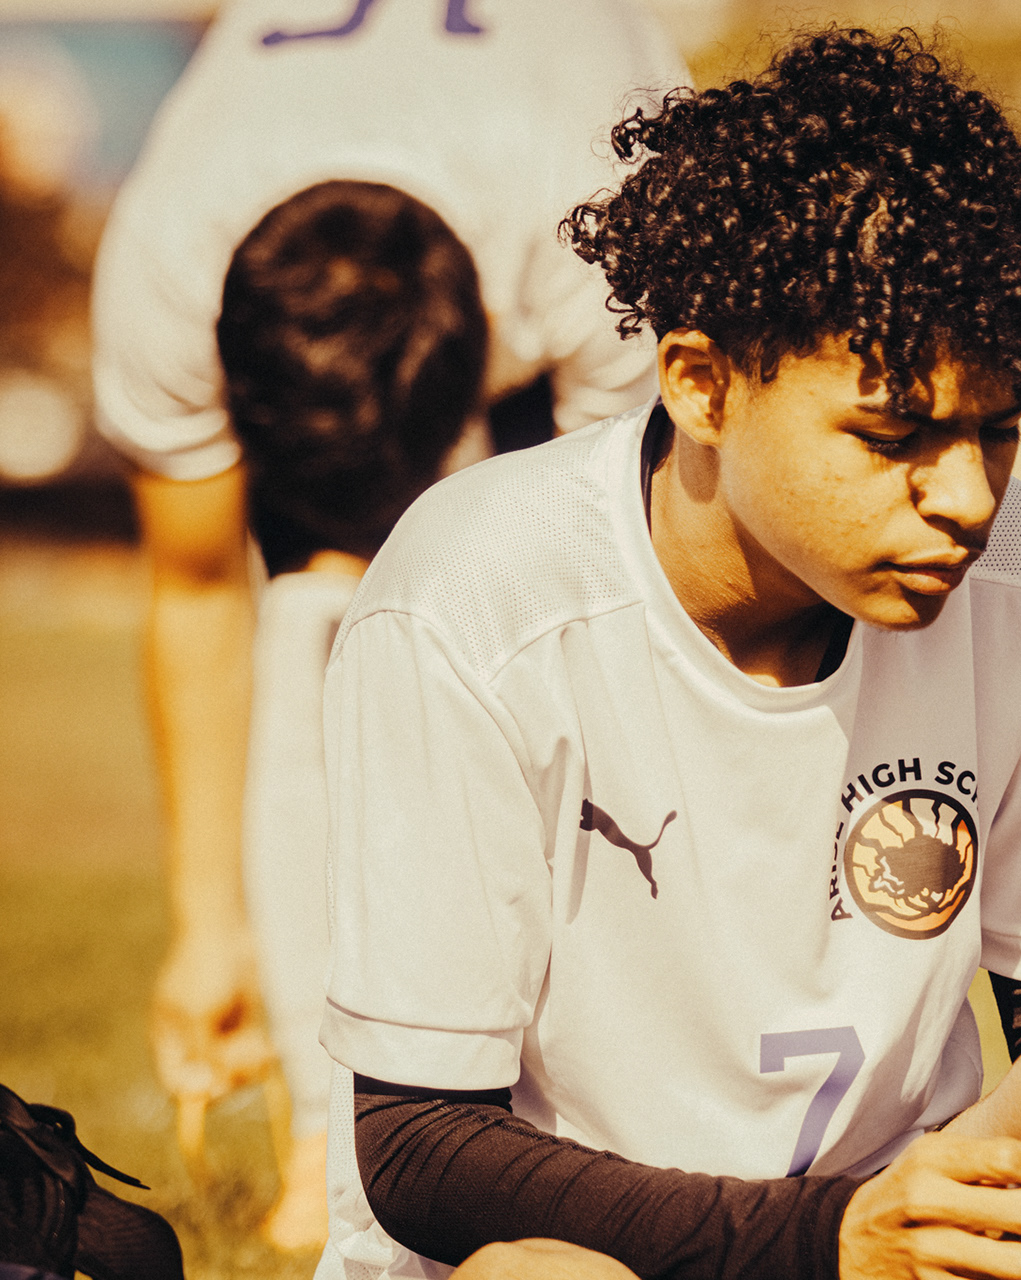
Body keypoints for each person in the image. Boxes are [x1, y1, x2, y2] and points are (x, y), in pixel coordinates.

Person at [319, 28, 1021, 1280]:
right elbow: (418, 1142)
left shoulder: (1020, 565)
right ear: (701, 384)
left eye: (998, 429)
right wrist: (828, 1240)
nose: (967, 496)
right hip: (606, 1251)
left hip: (905, 1238)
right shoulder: (476, 594)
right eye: (895, 434)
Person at [88, 0, 687, 1248]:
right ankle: (335, 1124)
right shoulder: (163, 265)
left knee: (544, 652)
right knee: (319, 612)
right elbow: (199, 589)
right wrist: (208, 932)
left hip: (562, 222)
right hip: (419, 207)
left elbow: (627, 611)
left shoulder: (600, 239)